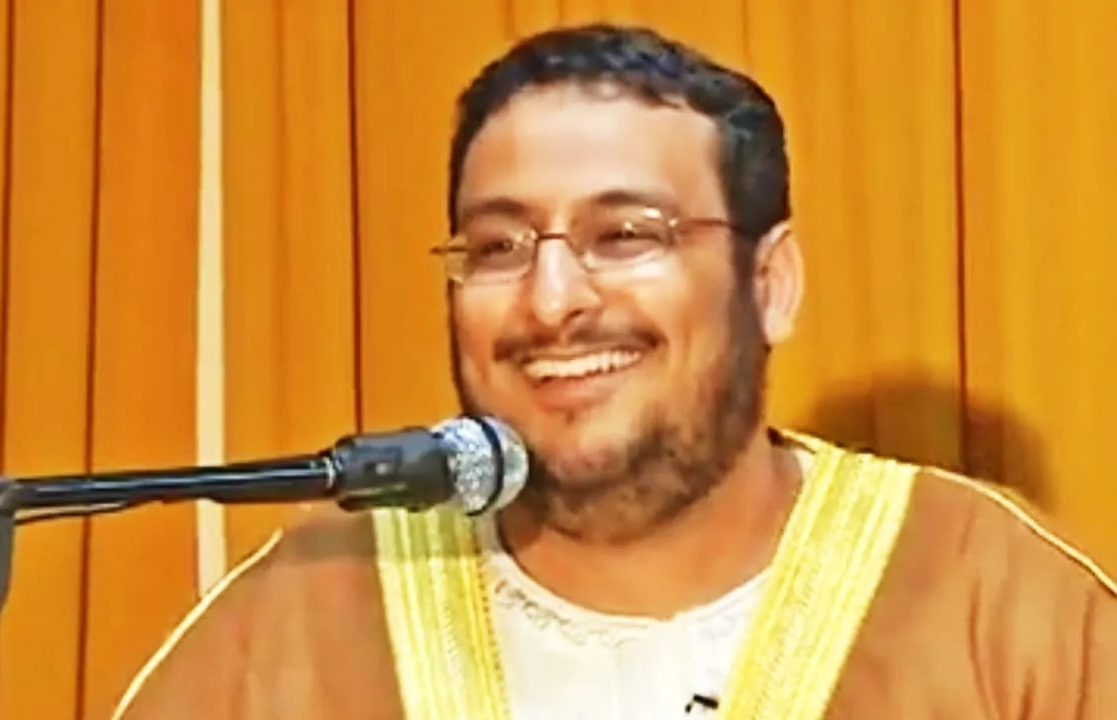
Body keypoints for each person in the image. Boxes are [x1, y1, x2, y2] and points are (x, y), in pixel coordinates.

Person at [110, 23, 1117, 719]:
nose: (550, 301)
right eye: (498, 248)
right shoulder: (302, 619)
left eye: (625, 235)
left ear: (768, 284)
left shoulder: (994, 606)